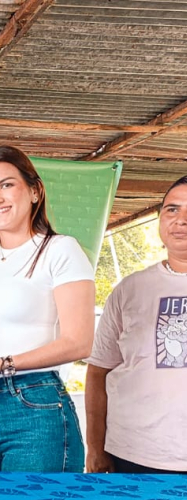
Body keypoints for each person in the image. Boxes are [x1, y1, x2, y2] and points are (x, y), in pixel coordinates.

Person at [0, 146, 94, 472]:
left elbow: (79, 342)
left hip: (35, 404)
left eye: (6, 185)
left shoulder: (60, 250)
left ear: (35, 191)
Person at [85, 176, 187, 474]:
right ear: (159, 220)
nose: (181, 221)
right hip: (134, 455)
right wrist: (95, 448)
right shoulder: (130, 289)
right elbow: (97, 372)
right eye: (172, 210)